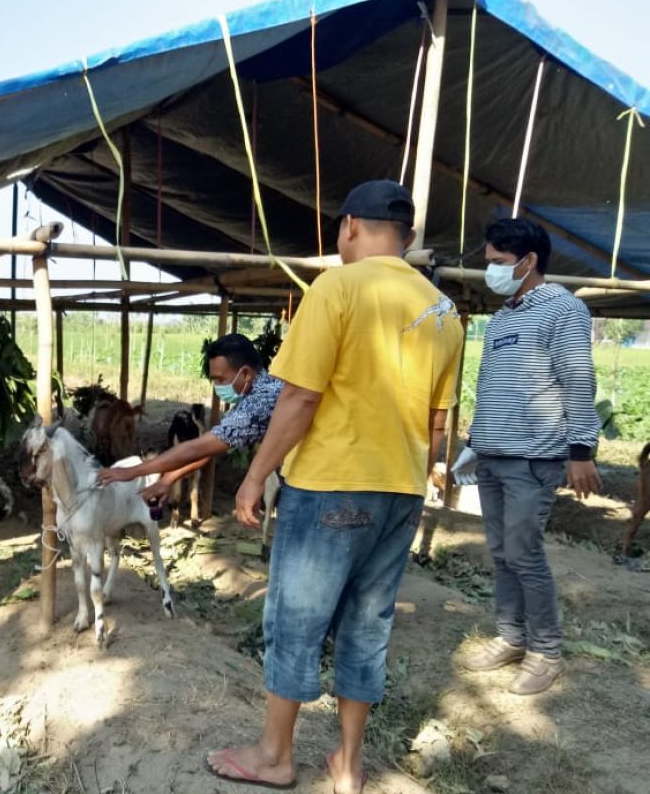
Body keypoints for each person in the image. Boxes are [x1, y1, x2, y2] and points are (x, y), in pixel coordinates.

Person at [208, 180, 463, 793]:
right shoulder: (444, 311)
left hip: (331, 486)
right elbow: (438, 422)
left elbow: (299, 397)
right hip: (401, 490)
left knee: (296, 619)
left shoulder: (338, 287)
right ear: (402, 236)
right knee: (367, 625)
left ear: (349, 226)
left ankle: (274, 757)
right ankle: (348, 765)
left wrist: (255, 475)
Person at [452, 217, 601, 695]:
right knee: (501, 552)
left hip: (533, 458)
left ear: (528, 260)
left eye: (497, 262)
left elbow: (578, 381)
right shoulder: (503, 318)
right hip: (496, 453)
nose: (490, 271)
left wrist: (582, 450)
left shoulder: (562, 308)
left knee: (523, 551)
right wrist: (475, 442)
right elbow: (494, 387)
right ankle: (512, 637)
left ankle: (546, 651)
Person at [95, 334, 282, 502]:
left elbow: (197, 447)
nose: (217, 386)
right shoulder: (262, 391)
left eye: (221, 379)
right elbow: (209, 448)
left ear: (246, 373)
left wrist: (132, 472)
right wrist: (168, 478)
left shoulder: (260, 402)